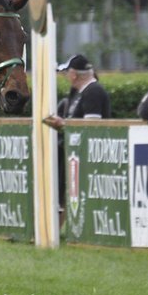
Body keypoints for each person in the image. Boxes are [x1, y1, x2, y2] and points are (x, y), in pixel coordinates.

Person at [42, 54, 112, 214]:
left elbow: (91, 128)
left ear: (73, 74)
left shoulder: (93, 91)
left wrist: (63, 125)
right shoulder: (82, 92)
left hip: (89, 156)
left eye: (66, 72)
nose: (66, 76)